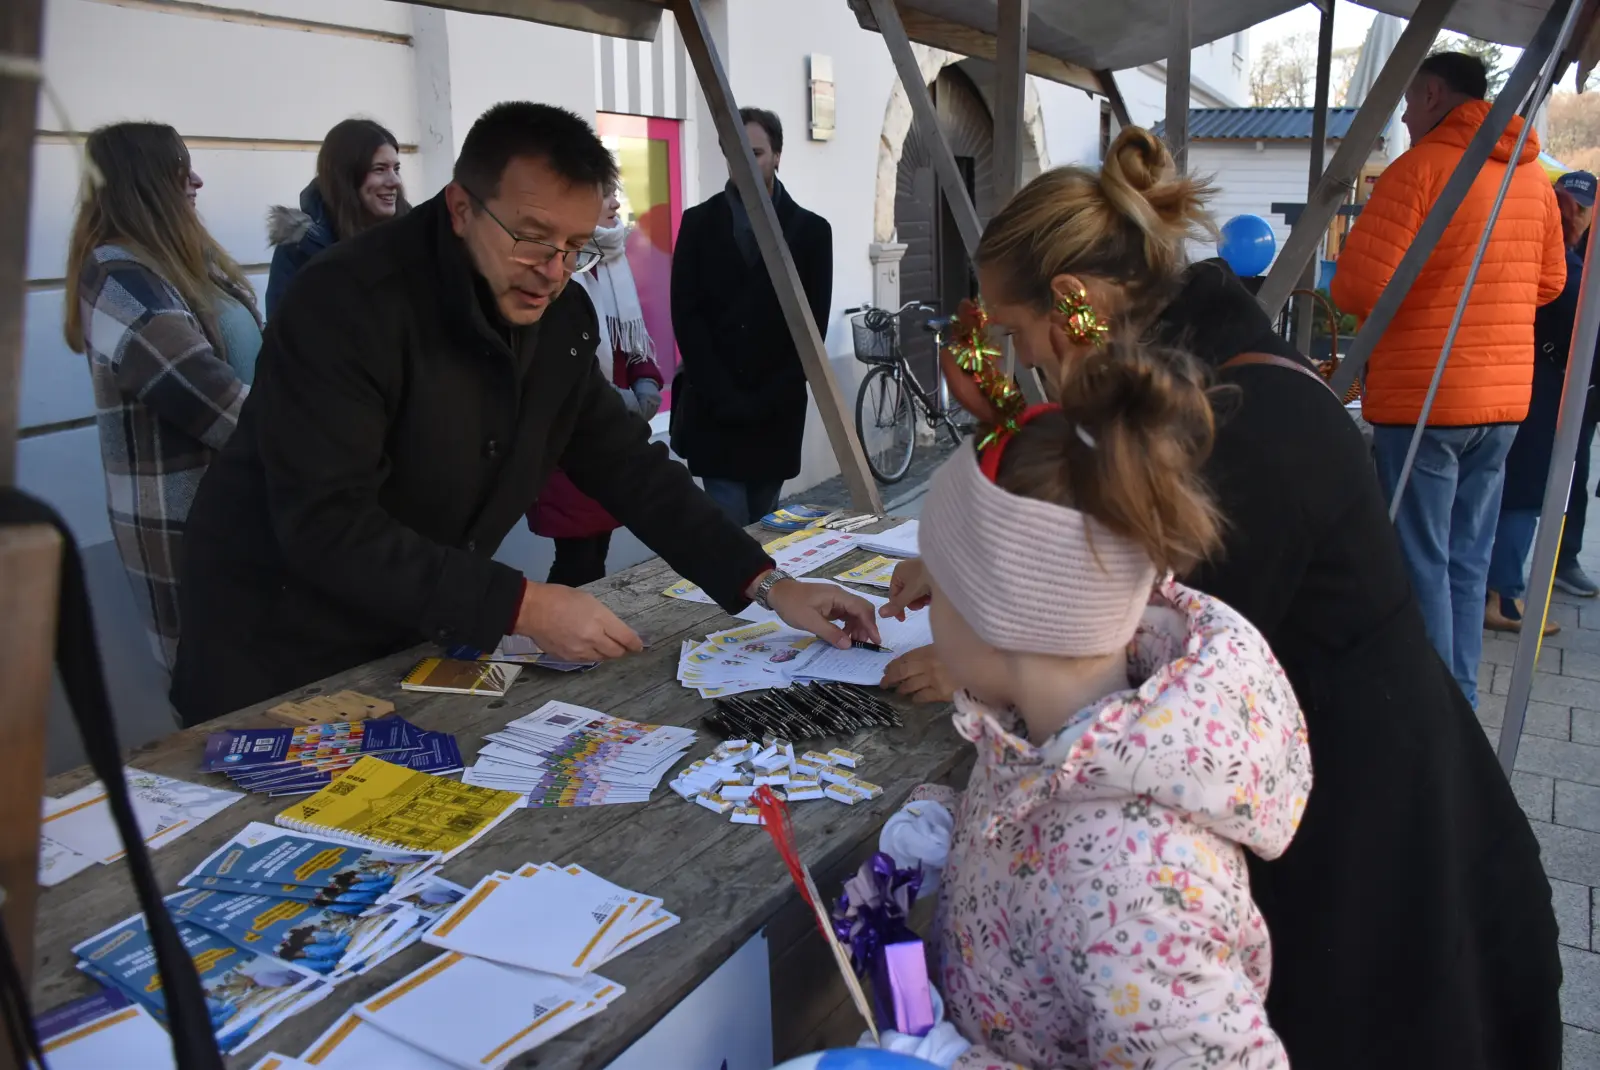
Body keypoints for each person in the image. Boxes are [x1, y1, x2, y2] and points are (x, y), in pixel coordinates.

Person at [879, 126, 1561, 1069]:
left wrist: (979, 623)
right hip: (1374, 811)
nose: (1021, 361)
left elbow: (1093, 617)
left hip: (1384, 874)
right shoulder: (1210, 380)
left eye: (1018, 337)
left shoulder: (1234, 435)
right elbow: (1083, 481)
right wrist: (989, 461)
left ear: (1075, 306)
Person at [171, 102, 877, 726]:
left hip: (409, 639)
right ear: (460, 207)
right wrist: (522, 605)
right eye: (534, 238)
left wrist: (768, 584)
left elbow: (628, 464)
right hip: (274, 653)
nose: (553, 269)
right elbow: (325, 524)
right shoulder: (344, 303)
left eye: (574, 247)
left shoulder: (558, 315)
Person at [867, 333, 1310, 1068]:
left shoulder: (1143, 887)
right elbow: (1045, 839)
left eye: (938, 584)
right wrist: (955, 830)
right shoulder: (1043, 737)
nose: (926, 609)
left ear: (996, 612)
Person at [1330, 51, 1566, 704]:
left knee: (1421, 559)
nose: (1404, 114)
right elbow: (1550, 282)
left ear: (1434, 95)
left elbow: (1355, 286)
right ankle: (1460, 691)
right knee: (1468, 559)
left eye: (1409, 100)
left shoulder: (1421, 171)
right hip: (1504, 401)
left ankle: (1434, 706)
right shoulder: (1532, 180)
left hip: (1429, 396)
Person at [63, 121, 259, 670]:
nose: (196, 180)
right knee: (222, 711)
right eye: (180, 169)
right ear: (142, 183)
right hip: (190, 533)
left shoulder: (192, 263)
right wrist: (329, 443)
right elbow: (209, 398)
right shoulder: (117, 277)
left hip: (247, 515)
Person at [670, 107, 832, 525]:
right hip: (714, 408)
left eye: (756, 152)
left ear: (777, 156)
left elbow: (812, 328)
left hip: (775, 414)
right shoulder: (698, 223)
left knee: (765, 525)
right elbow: (686, 317)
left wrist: (767, 398)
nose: (745, 162)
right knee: (731, 530)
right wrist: (723, 394)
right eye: (735, 152)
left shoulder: (812, 233)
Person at [526, 181, 664, 587]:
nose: (616, 202)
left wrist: (645, 381)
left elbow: (630, 341)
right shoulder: (560, 271)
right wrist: (612, 398)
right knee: (577, 561)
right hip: (571, 439)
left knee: (591, 557)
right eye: (605, 194)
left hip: (614, 429)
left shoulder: (612, 258)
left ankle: (573, 637)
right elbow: (558, 367)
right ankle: (563, 637)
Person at [1487, 170, 1600, 630]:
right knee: (1524, 494)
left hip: (1510, 382)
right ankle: (1503, 597)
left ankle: (1491, 590)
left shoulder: (1522, 251)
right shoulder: (1567, 269)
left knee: (1502, 489)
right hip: (1542, 393)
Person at [265, 118, 410, 318]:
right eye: (379, 169)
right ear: (346, 176)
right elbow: (284, 338)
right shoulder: (299, 248)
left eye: (396, 169)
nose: (394, 181)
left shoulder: (415, 238)